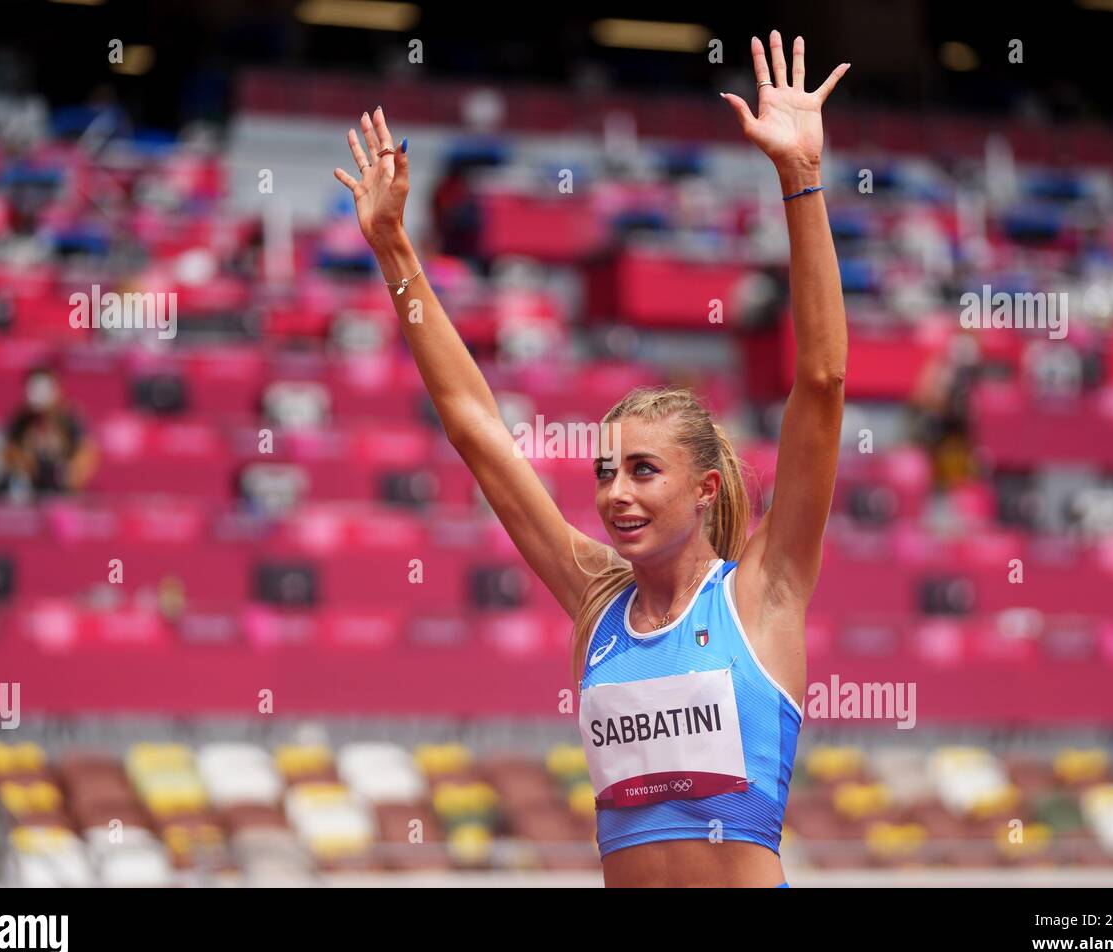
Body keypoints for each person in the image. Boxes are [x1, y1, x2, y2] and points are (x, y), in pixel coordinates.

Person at [334, 31, 849, 887]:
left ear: (706, 487)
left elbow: (823, 380)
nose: (615, 494)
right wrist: (395, 251)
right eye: (605, 471)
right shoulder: (596, 604)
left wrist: (800, 178)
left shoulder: (766, 591)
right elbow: (476, 428)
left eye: (644, 470)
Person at [0, 366, 98, 498]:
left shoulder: (69, 418)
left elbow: (87, 452)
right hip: (29, 491)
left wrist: (72, 473)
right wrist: (23, 465)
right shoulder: (21, 420)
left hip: (63, 490)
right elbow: (8, 453)